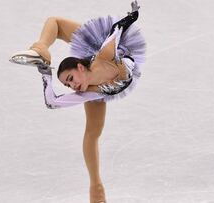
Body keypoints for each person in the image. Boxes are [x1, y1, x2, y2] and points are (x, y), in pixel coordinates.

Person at [9, 1, 145, 202]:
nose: (72, 87)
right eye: (68, 85)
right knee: (92, 133)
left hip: (102, 52)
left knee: (94, 132)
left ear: (80, 68)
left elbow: (118, 29)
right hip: (95, 79)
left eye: (70, 80)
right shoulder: (89, 93)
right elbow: (52, 102)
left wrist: (133, 14)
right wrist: (46, 73)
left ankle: (96, 188)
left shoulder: (105, 52)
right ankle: (41, 50)